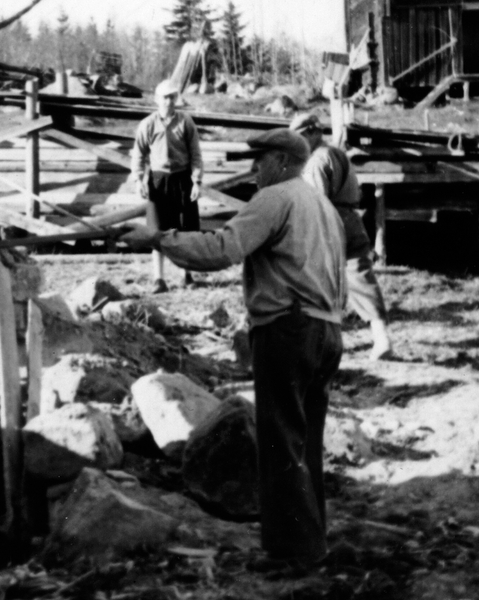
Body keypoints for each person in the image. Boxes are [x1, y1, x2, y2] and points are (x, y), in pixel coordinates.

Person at [121, 128, 346, 565]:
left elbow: (224, 248)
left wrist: (158, 239)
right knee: (305, 442)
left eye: (259, 160)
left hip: (287, 329)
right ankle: (310, 542)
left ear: (281, 161)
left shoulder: (275, 197)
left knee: (280, 440)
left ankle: (292, 553)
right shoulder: (324, 207)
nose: (253, 169)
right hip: (327, 332)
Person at [290, 112, 393, 359]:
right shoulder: (337, 153)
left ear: (315, 132)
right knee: (360, 278)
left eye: (302, 136)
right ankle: (382, 338)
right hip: (350, 221)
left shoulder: (316, 162)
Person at [129, 79, 203, 293]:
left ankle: (186, 275)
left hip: (182, 179)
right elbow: (139, 154)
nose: (168, 101)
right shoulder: (148, 124)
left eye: (172, 97)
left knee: (186, 230)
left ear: (176, 99)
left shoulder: (186, 122)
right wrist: (138, 180)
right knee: (157, 231)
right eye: (164, 97)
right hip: (158, 181)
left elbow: (196, 154)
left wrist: (196, 181)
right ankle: (159, 279)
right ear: (156, 99)